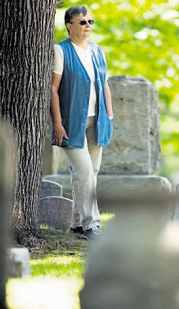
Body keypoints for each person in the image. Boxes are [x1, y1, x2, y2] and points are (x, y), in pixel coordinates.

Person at [50, 5, 113, 240]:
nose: (88, 26)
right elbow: (53, 89)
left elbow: (104, 84)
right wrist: (57, 124)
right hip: (70, 122)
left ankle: (77, 223)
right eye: (83, 22)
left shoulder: (98, 51)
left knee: (90, 172)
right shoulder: (61, 50)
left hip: (98, 119)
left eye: (90, 22)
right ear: (69, 25)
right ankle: (91, 226)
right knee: (84, 170)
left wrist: (109, 115)